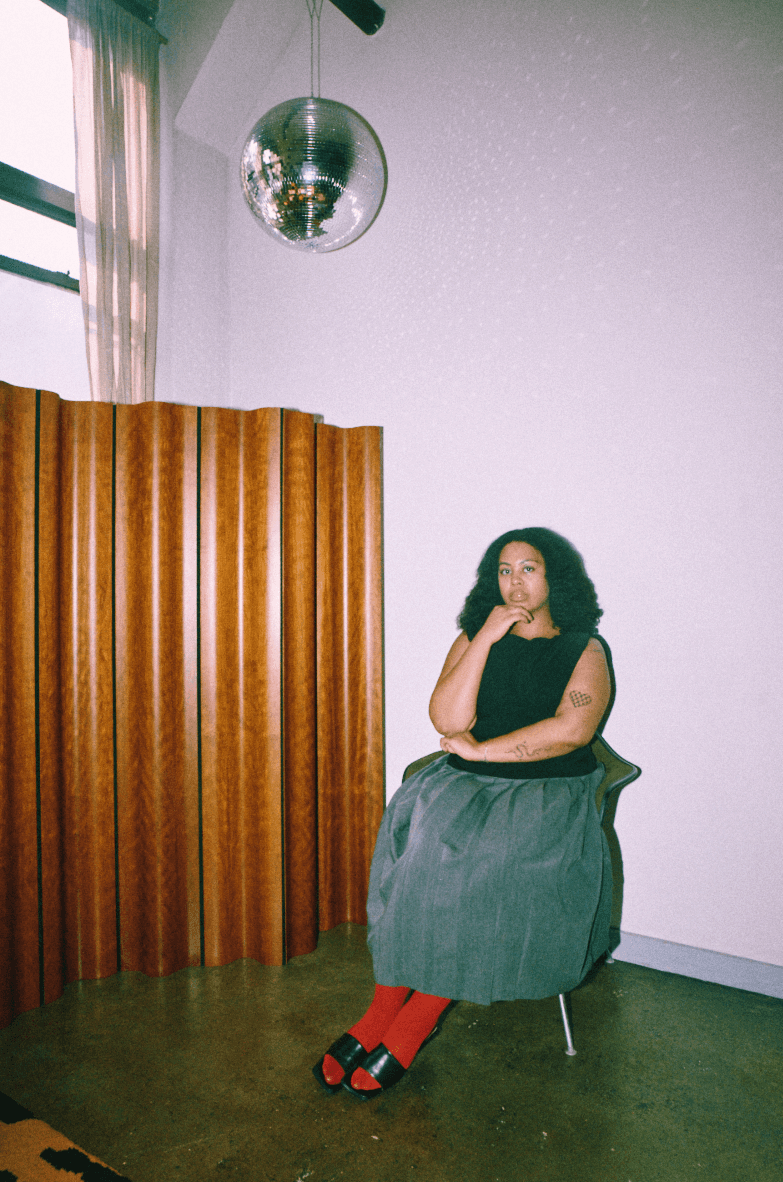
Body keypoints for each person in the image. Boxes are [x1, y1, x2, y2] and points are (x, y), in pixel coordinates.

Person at [313, 527, 613, 1099]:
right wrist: (486, 638)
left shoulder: (585, 649)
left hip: (545, 791)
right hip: (468, 782)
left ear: (555, 578)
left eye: (529, 568)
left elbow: (572, 730)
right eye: (504, 570)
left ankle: (416, 1019)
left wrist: (484, 752)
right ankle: (381, 1010)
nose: (515, 582)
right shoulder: (477, 635)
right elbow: (448, 720)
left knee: (477, 868)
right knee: (417, 858)